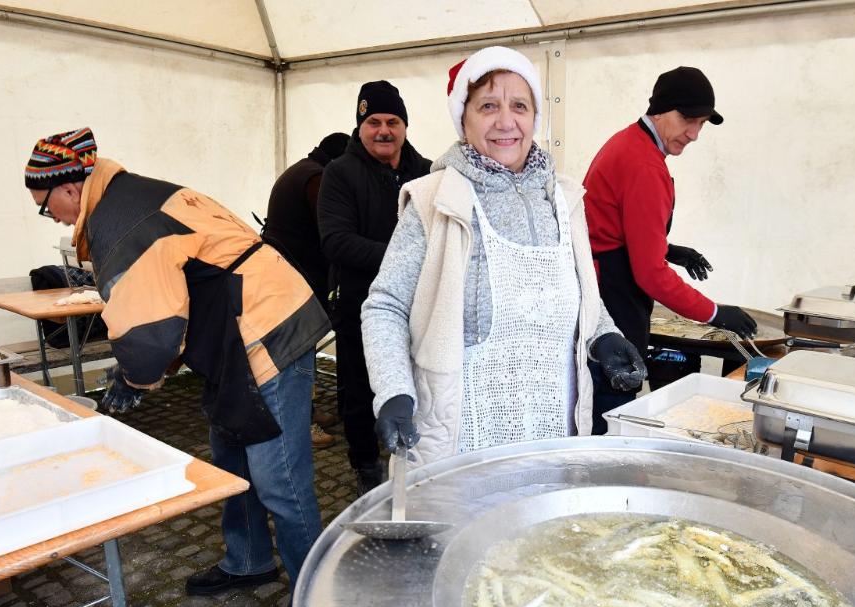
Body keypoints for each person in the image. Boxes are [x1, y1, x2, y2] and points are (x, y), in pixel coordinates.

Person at [24, 128, 329, 607]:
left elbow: (153, 335)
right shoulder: (130, 197)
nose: (55, 220)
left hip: (267, 330)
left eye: (47, 208)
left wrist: (133, 379)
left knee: (281, 482)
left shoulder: (122, 221)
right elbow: (173, 294)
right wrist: (143, 368)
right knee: (230, 456)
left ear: (69, 188)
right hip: (231, 334)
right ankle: (249, 560)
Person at [362, 47, 646, 463]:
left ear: (535, 117)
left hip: (553, 431)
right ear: (463, 118)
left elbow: (581, 296)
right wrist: (394, 392)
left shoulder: (565, 200)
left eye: (519, 106)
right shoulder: (434, 200)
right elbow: (385, 306)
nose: (506, 121)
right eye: (488, 106)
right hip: (461, 440)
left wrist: (603, 335)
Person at [582, 66, 759, 433]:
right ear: (661, 109)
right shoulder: (644, 164)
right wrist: (714, 312)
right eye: (688, 120)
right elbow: (649, 273)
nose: (694, 134)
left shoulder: (628, 142)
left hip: (603, 285)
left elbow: (613, 228)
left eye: (702, 124)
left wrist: (670, 250)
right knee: (609, 415)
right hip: (613, 299)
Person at [318, 82, 431, 493]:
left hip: (420, 307)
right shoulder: (339, 173)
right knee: (360, 390)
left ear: (405, 126)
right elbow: (336, 241)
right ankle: (366, 465)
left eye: (393, 122)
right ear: (360, 126)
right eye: (374, 122)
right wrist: (405, 258)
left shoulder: (429, 173)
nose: (384, 130)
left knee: (421, 385)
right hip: (361, 306)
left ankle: (420, 460)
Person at [260, 131, 351, 449]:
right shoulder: (317, 178)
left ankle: (307, 412)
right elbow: (329, 227)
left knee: (302, 349)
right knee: (300, 350)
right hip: (295, 278)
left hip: (285, 272)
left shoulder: (302, 169)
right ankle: (301, 423)